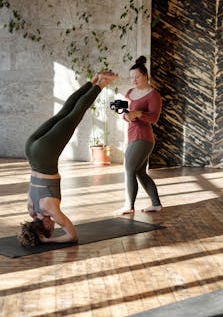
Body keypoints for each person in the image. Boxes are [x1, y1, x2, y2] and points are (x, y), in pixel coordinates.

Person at [18, 71, 118, 246]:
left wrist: (48, 241)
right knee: (64, 112)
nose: (55, 225)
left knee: (75, 115)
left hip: (45, 154)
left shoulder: (51, 210)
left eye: (51, 229)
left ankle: (101, 83)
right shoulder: (31, 209)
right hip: (31, 149)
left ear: (45, 227)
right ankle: (92, 80)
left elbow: (72, 236)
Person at [115, 56, 162, 215]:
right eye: (131, 78)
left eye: (137, 77)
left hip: (144, 137)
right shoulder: (130, 92)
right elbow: (125, 113)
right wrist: (125, 115)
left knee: (128, 168)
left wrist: (139, 113)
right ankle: (156, 204)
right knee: (140, 172)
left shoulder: (153, 95)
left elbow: (154, 118)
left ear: (145, 76)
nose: (133, 80)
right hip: (132, 136)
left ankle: (129, 205)